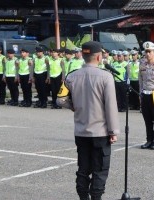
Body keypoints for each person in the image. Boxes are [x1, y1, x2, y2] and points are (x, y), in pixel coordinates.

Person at [56, 41, 119, 200]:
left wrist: (74, 106)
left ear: (83, 56)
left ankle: (83, 197)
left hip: (81, 132)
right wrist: (113, 131)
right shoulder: (106, 76)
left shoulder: (72, 75)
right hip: (100, 132)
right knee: (100, 169)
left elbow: (60, 100)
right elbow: (110, 107)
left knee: (83, 168)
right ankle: (96, 197)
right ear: (99, 57)